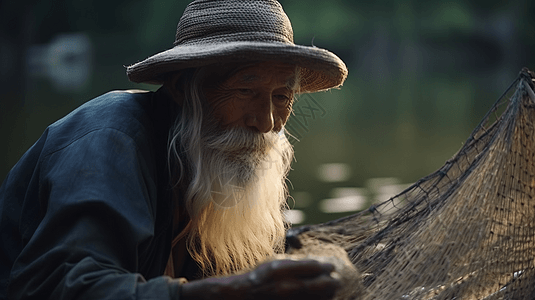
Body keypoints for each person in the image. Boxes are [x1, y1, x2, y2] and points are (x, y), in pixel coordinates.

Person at [0, 0, 348, 299]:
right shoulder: (111, 139)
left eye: (282, 97)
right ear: (183, 88)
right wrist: (235, 291)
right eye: (246, 91)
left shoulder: (206, 163)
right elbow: (68, 287)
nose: (267, 121)